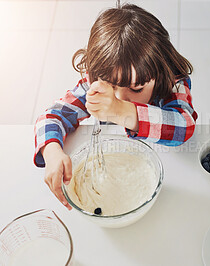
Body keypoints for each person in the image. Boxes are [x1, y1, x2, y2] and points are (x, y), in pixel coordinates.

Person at [33, 3, 197, 210]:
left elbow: (184, 127)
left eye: (136, 89)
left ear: (161, 70)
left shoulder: (173, 82)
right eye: (111, 86)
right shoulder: (94, 86)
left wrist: (121, 111)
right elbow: (50, 117)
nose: (119, 96)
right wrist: (52, 152)